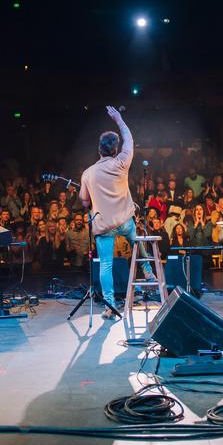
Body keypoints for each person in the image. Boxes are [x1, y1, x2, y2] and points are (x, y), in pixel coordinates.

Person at [79, 106, 149, 319]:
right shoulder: (121, 163)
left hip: (104, 225)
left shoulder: (88, 173)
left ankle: (110, 306)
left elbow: (84, 201)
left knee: (106, 265)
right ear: (114, 150)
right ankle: (147, 269)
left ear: (99, 150)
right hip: (125, 220)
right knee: (136, 240)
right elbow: (129, 138)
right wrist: (118, 119)